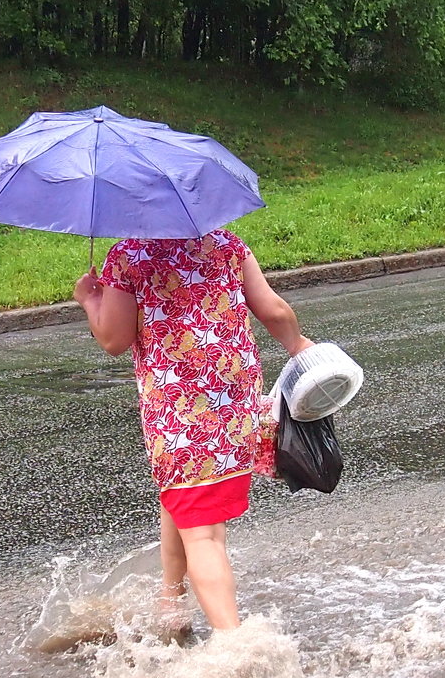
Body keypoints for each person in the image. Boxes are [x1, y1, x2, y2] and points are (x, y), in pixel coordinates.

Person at [73, 228, 313, 633]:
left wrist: (90, 299)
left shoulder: (128, 255)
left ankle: (233, 645)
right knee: (182, 496)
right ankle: (172, 603)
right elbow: (271, 310)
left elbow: (115, 339)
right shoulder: (225, 243)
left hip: (179, 413)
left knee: (202, 532)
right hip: (236, 404)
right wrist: (298, 344)